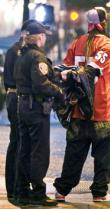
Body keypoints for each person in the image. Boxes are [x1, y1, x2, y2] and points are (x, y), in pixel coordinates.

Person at [53, 7, 110, 202]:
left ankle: (61, 190)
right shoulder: (107, 44)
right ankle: (99, 193)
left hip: (79, 111)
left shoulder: (76, 43)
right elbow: (95, 68)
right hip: (101, 111)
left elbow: (66, 71)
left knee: (74, 153)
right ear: (103, 23)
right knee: (103, 156)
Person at [13, 21, 63, 206]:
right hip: (35, 109)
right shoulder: (37, 57)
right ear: (40, 37)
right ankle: (39, 192)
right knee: (39, 152)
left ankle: (21, 191)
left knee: (24, 150)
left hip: (23, 106)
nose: (44, 38)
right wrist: (59, 91)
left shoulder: (22, 54)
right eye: (44, 35)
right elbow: (41, 84)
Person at [3, 19, 36, 201]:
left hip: (13, 97)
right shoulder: (19, 51)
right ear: (25, 33)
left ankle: (15, 187)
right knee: (18, 143)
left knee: (17, 142)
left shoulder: (14, 50)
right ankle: (15, 188)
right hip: (17, 97)